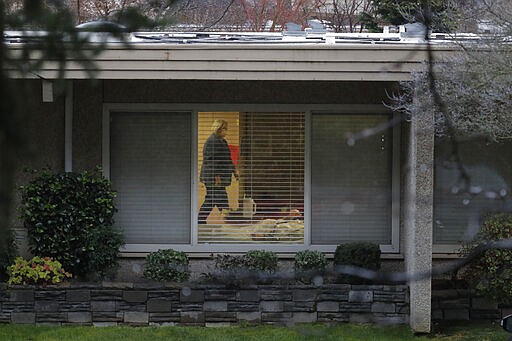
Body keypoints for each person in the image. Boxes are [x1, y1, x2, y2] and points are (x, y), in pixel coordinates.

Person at [198, 119, 238, 224]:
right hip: (213, 178)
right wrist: (216, 176)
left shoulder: (222, 141)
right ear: (218, 129)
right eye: (224, 129)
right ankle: (226, 219)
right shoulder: (212, 141)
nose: (226, 131)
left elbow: (228, 159)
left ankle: (202, 220)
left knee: (214, 198)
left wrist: (234, 171)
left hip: (217, 177)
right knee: (217, 198)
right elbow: (210, 160)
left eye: (226, 129)